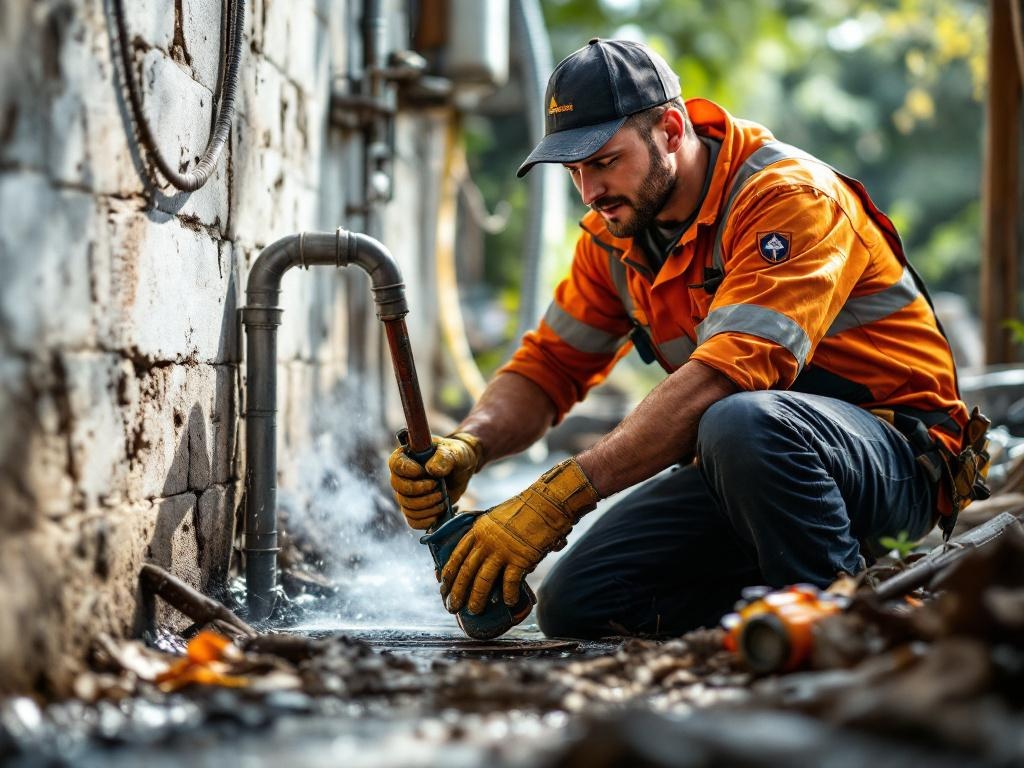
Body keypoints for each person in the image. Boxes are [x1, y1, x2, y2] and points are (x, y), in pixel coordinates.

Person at [388, 38, 989, 639]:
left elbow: (724, 378)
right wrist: (471, 444)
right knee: (579, 604)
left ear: (671, 130)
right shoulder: (614, 238)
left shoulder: (788, 198)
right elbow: (549, 367)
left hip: (896, 460)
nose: (590, 191)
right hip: (748, 468)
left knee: (739, 420)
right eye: (574, 171)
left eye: (603, 160)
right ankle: (761, 619)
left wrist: (557, 499)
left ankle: (838, 619)